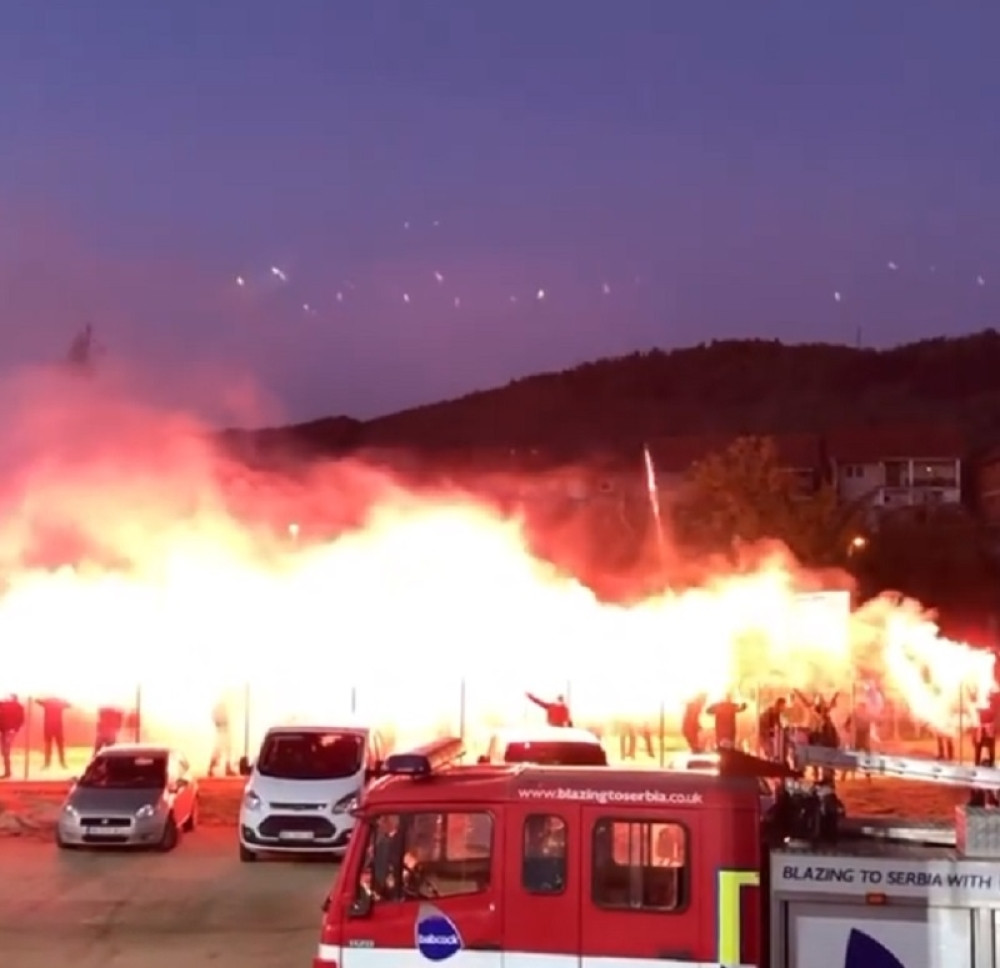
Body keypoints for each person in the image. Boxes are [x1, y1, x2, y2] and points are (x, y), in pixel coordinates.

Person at [37, 697, 70, 770]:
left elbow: (38, 701)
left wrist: (46, 700)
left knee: (51, 747)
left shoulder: (48, 704)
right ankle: (59, 763)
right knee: (57, 747)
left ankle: (49, 763)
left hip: (51, 727)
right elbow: (68, 704)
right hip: (56, 728)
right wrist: (62, 701)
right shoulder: (58, 704)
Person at [0, 694, 25, 779]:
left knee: (5, 751)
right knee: (5, 751)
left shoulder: (15, 706)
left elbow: (21, 719)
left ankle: (8, 772)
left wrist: (14, 729)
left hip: (8, 730)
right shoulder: (17, 706)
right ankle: (7, 772)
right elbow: (21, 720)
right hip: (7, 730)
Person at [208, 700, 236, 777]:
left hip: (224, 731)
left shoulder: (221, 708)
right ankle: (212, 768)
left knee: (226, 750)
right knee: (219, 751)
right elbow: (216, 719)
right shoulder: (220, 708)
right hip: (221, 731)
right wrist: (219, 724)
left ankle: (227, 768)